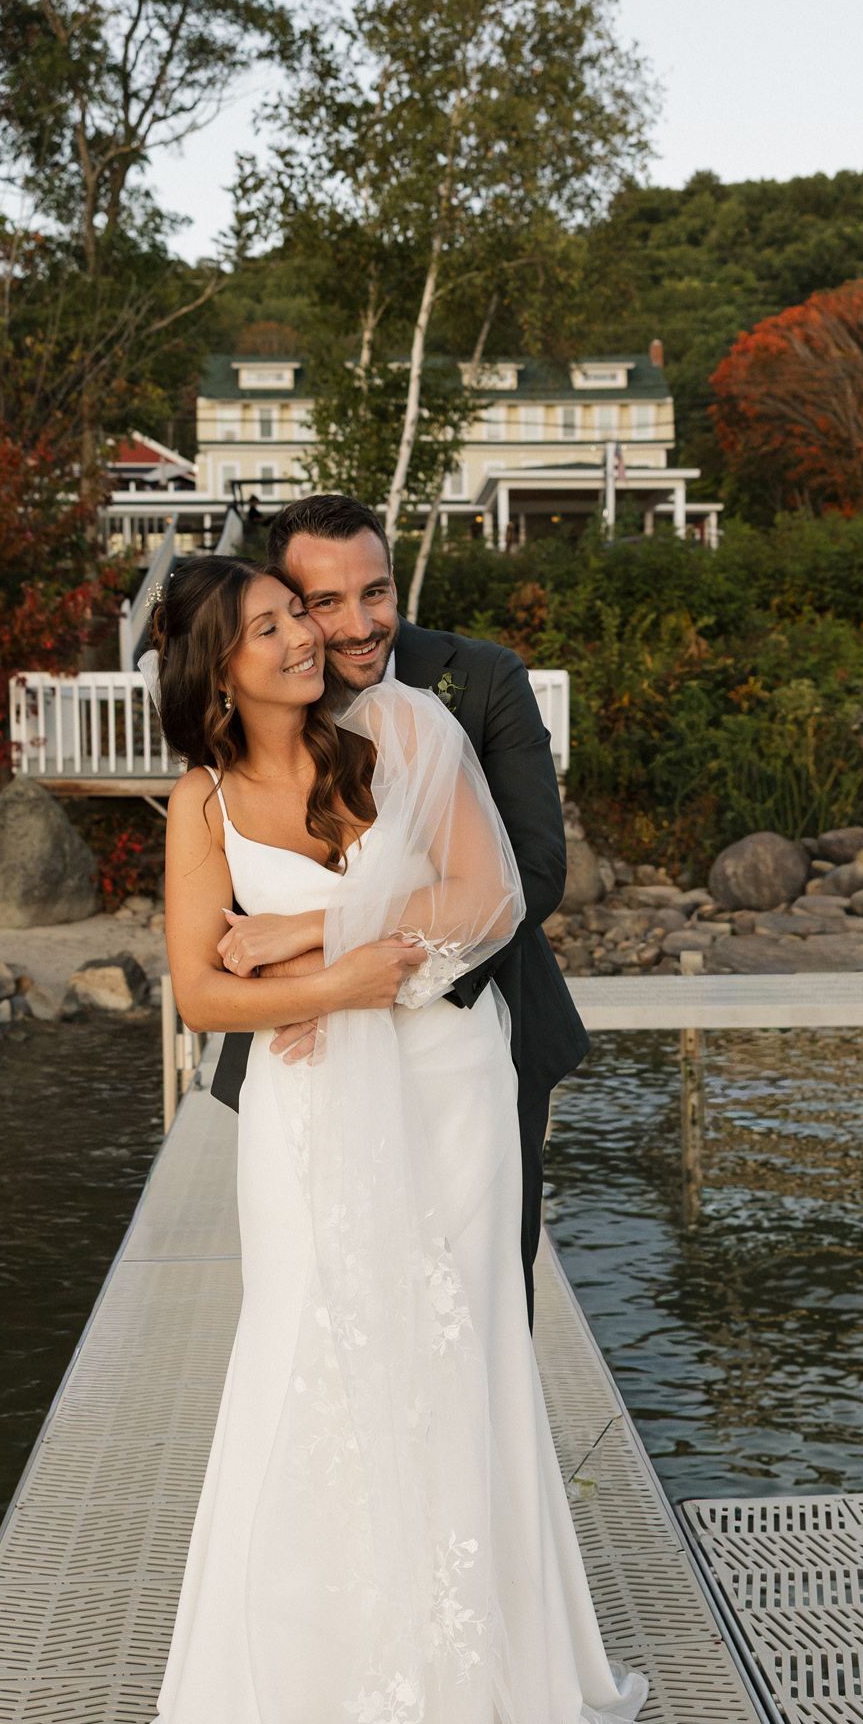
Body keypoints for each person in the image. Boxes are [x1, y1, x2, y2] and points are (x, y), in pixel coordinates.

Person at [132, 550, 863, 1724]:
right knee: (308, 1343)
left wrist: (316, 947)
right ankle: (284, 1693)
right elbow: (195, 986)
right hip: (306, 1114)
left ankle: (484, 1685)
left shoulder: (403, 731)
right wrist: (329, 974)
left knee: (453, 1343)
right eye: (270, 625)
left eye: (300, 612)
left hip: (446, 1081)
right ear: (214, 667)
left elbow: (487, 901)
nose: (306, 637)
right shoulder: (195, 803)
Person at [209, 491, 587, 1333]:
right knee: (321, 1310)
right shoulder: (253, 698)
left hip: (471, 1033)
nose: (355, 626)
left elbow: (533, 874)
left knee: (476, 1307)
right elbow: (238, 897)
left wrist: (334, 956)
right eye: (323, 603)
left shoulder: (481, 679)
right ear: (283, 603)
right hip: (304, 1060)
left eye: (374, 593)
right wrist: (316, 992)